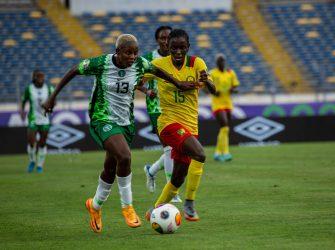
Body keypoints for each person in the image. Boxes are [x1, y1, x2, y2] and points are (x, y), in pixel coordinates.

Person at [42, 34, 195, 233]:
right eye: (128, 53)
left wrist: (178, 84)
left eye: (135, 53)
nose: (132, 57)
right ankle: (127, 207)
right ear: (118, 52)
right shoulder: (102, 63)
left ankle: (95, 206)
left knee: (110, 167)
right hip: (102, 118)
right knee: (124, 156)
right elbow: (74, 70)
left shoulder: (140, 64)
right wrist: (52, 97)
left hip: (125, 123)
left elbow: (158, 71)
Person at [145, 29, 216, 222]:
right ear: (167, 47)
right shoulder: (158, 64)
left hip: (190, 126)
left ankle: (154, 210)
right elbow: (136, 80)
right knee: (200, 154)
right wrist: (146, 91)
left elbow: (213, 89)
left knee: (177, 178)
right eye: (174, 47)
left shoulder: (196, 63)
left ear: (188, 47)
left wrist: (207, 83)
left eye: (182, 47)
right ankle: (190, 204)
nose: (177, 52)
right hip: (168, 124)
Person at [140, 26, 182, 203]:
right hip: (156, 109)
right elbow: (137, 82)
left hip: (176, 108)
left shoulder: (178, 57)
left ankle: (151, 171)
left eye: (168, 38)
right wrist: (146, 91)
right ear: (157, 40)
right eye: (162, 38)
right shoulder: (149, 59)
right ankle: (172, 191)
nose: (165, 41)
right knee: (170, 149)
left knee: (177, 149)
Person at [20, 70, 54, 173]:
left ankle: (39, 165)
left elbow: (54, 101)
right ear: (34, 78)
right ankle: (32, 161)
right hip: (33, 119)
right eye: (39, 77)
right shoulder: (29, 89)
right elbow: (23, 101)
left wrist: (50, 107)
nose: (41, 79)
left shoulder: (49, 88)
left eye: (43, 77)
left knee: (42, 143)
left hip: (45, 119)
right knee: (31, 142)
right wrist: (22, 111)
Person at [209, 54, 240, 162]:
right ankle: (226, 152)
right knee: (225, 126)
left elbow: (235, 86)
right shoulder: (212, 73)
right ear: (216, 63)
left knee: (224, 129)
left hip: (228, 103)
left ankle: (217, 153)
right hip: (217, 104)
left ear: (224, 62)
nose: (221, 63)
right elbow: (204, 86)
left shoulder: (230, 72)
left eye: (222, 61)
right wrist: (213, 92)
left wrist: (233, 90)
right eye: (219, 61)